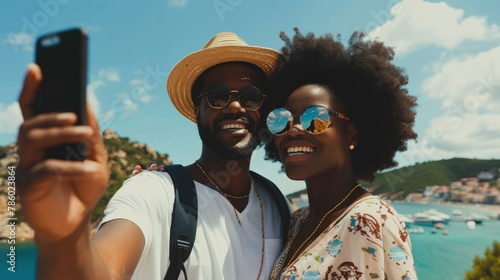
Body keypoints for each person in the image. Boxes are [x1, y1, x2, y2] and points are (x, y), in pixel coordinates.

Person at [16, 32, 290, 279]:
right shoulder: (151, 190)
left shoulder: (278, 204)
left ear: (264, 110)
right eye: (217, 96)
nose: (234, 106)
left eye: (251, 96)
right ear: (197, 110)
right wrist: (64, 240)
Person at [262, 29, 418, 279]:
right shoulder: (299, 220)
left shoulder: (372, 219)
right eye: (283, 120)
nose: (294, 130)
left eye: (315, 117)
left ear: (351, 136)